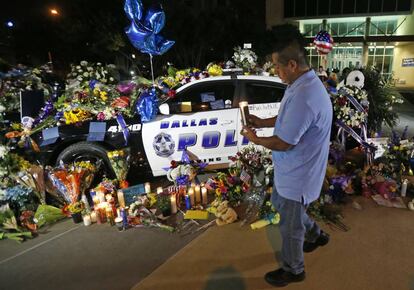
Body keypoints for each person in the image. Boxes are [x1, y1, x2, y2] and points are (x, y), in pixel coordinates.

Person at [241, 24, 333, 287]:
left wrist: (254, 138)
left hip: (299, 173)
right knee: (281, 205)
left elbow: (283, 143)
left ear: (292, 64)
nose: (276, 72)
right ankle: (316, 235)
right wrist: (262, 121)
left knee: (290, 227)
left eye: (278, 68)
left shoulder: (305, 95)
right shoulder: (301, 83)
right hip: (291, 170)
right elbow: (288, 119)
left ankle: (294, 270)